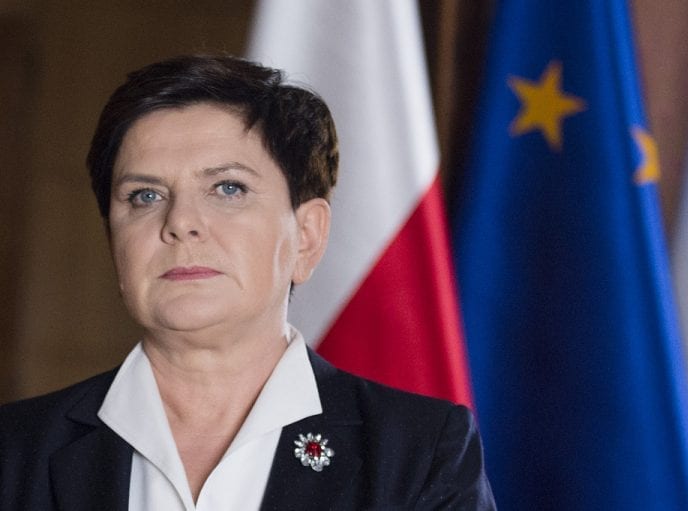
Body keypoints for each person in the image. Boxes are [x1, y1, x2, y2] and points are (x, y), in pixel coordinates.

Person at [0, 55, 495, 510]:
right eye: (145, 195)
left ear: (307, 236)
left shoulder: (420, 451)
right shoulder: (14, 449)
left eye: (228, 188)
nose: (180, 222)